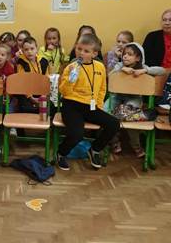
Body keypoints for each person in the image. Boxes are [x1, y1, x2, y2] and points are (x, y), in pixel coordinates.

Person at [56, 33, 120, 171]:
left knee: (114, 124)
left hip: (91, 106)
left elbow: (102, 89)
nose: (81, 53)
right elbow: (64, 91)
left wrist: (99, 106)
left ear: (94, 53)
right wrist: (70, 79)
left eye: (86, 51)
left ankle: (95, 149)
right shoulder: (71, 67)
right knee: (77, 134)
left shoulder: (100, 67)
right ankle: (61, 153)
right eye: (79, 49)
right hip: (71, 105)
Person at [107, 42, 165, 156]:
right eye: (124, 54)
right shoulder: (119, 65)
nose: (125, 56)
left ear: (138, 58)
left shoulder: (142, 67)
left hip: (133, 99)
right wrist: (121, 69)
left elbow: (162, 70)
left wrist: (146, 70)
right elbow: (110, 76)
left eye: (129, 54)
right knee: (108, 116)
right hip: (117, 97)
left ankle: (136, 145)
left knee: (130, 119)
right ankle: (114, 142)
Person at [16, 36, 49, 113]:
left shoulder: (43, 61)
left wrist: (43, 95)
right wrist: (31, 98)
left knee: (50, 106)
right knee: (27, 108)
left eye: (32, 49)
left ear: (36, 49)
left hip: (41, 91)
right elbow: (22, 82)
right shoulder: (21, 62)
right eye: (26, 50)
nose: (29, 52)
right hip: (26, 93)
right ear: (22, 51)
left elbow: (47, 80)